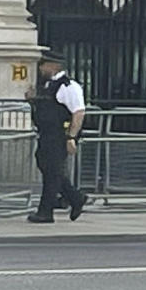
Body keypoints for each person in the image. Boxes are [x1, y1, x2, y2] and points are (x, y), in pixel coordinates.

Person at [24, 51, 87, 224]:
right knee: (47, 166)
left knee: (52, 172)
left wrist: (71, 137)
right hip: (47, 134)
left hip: (59, 135)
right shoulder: (48, 85)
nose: (41, 68)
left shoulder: (68, 86)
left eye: (43, 65)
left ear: (53, 66)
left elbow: (78, 113)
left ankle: (45, 212)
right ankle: (75, 197)